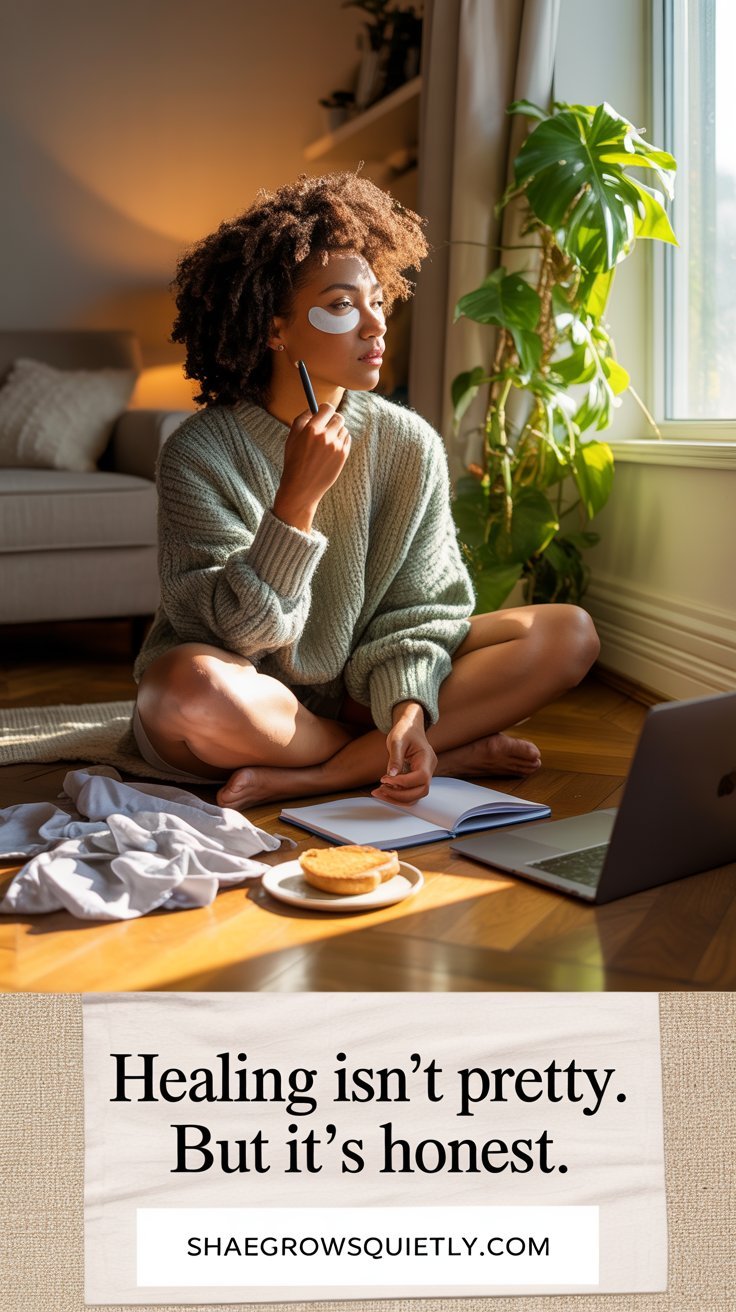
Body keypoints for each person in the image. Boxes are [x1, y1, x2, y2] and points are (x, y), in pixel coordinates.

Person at [133, 172, 599, 811]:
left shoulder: (407, 442)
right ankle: (425, 750)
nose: (376, 325)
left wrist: (408, 706)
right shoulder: (198, 452)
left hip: (363, 688)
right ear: (276, 330)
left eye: (378, 300)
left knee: (568, 632)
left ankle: (332, 772)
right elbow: (232, 637)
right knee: (186, 689)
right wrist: (294, 504)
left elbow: (420, 609)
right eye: (343, 305)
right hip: (257, 705)